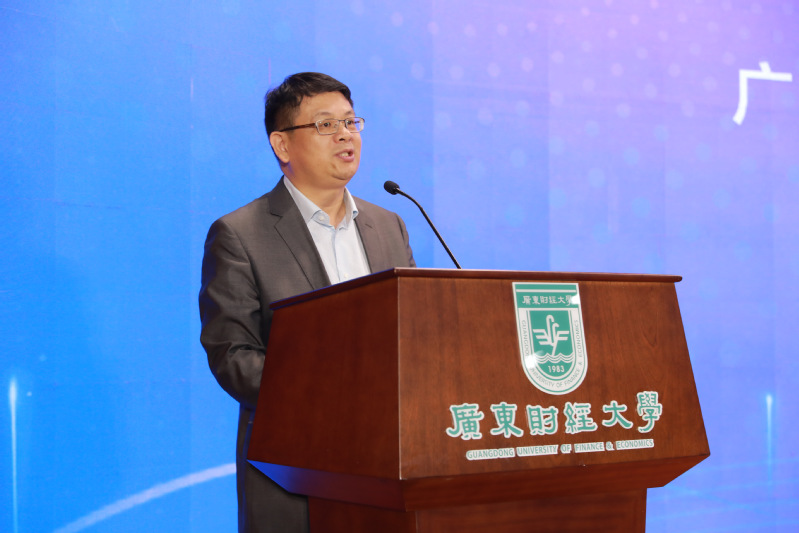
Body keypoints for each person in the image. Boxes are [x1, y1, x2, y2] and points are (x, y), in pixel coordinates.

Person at [198, 72, 416, 532]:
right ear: (282, 145)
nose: (345, 134)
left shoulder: (389, 225)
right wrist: (337, 399)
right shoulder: (240, 234)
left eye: (351, 122)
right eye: (325, 125)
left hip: (390, 473)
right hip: (294, 477)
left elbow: (415, 335)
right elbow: (233, 357)